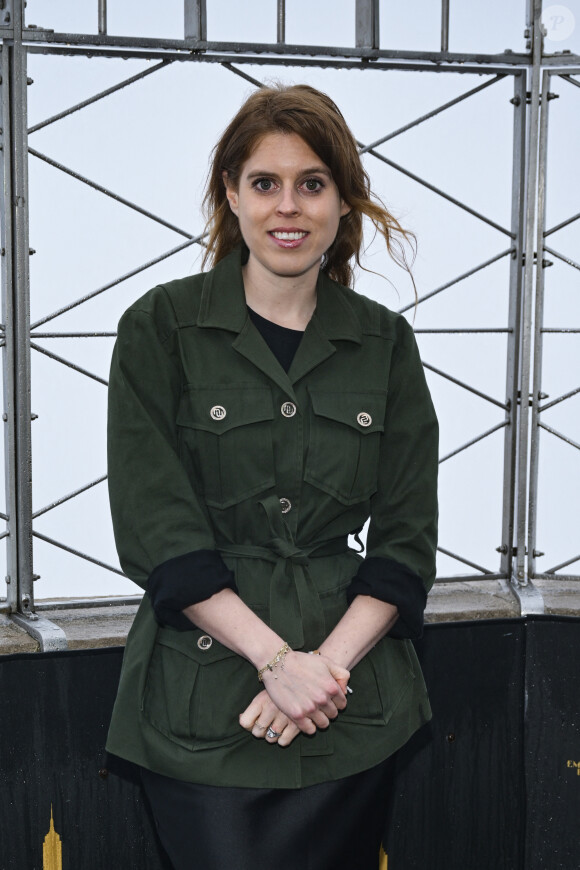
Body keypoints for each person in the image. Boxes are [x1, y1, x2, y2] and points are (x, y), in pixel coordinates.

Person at [106, 83, 438, 870]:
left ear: (343, 201)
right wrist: (277, 663)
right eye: (265, 183)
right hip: (202, 701)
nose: (288, 208)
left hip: (353, 704)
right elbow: (159, 530)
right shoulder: (161, 327)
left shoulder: (384, 343)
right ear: (231, 192)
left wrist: (322, 672)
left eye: (312, 183)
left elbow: (406, 540)